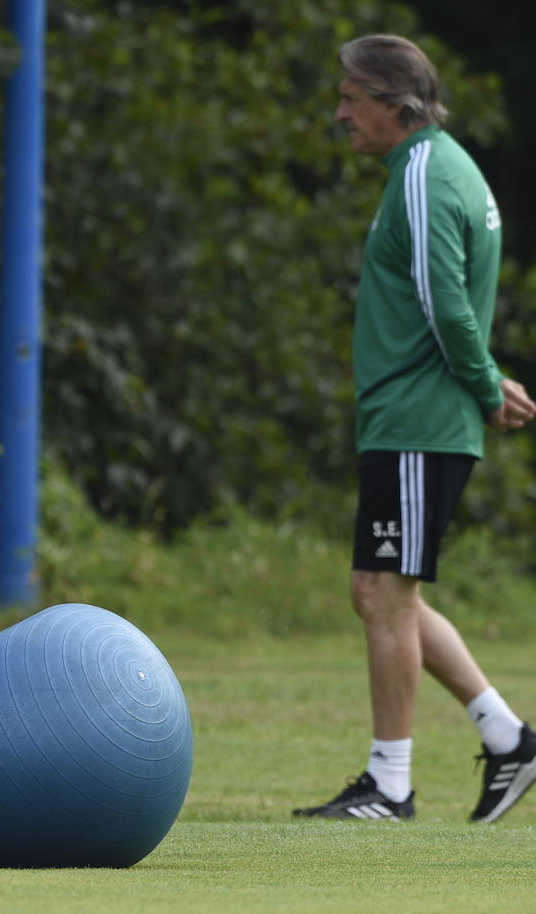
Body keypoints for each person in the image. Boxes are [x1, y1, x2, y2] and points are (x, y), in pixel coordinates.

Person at [294, 35, 536, 823]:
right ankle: (508, 740)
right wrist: (484, 380)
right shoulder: (426, 167)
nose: (340, 113)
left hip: (420, 419)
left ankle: (390, 787)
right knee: (385, 593)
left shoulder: (428, 171)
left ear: (394, 104)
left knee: (383, 592)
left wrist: (483, 382)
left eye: (350, 97)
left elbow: (444, 300)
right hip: (413, 417)